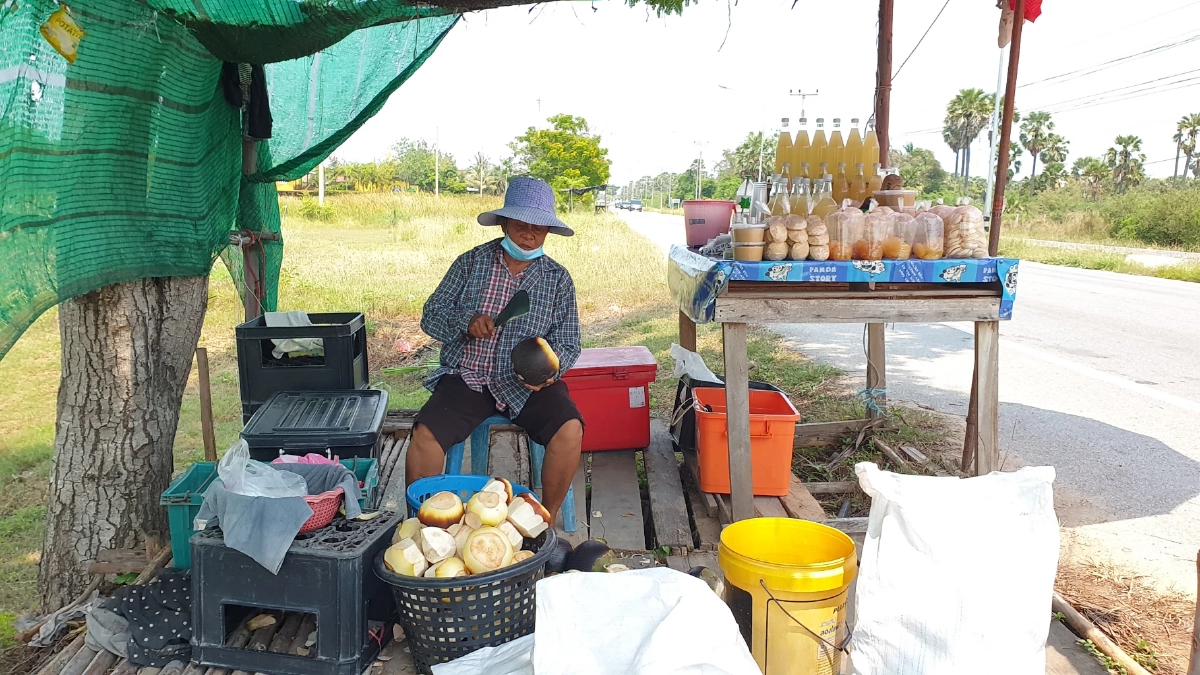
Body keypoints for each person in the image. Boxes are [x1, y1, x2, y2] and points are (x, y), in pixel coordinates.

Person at [406, 177, 583, 521]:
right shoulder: (471, 263)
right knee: (425, 435)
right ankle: (423, 524)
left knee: (570, 429)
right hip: (468, 377)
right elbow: (431, 316)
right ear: (504, 223)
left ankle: (544, 521)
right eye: (520, 225)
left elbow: (569, 342)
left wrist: (548, 373)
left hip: (525, 384)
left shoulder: (557, 278)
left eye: (539, 228)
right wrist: (466, 321)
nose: (529, 234)